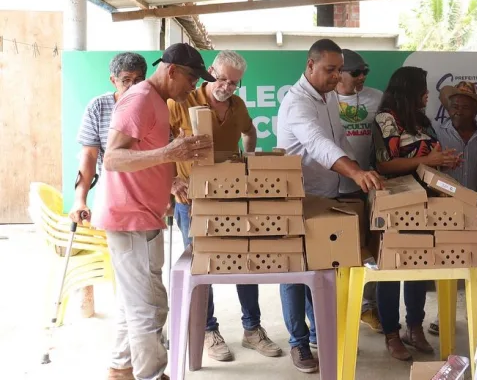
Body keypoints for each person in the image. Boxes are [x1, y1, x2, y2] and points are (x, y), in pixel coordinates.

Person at [92, 43, 215, 380]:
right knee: (150, 306)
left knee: (134, 302)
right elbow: (114, 158)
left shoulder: (159, 101)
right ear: (172, 70)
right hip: (129, 216)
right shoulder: (141, 98)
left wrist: (170, 178)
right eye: (192, 78)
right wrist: (168, 153)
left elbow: (146, 153)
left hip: (142, 214)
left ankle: (121, 368)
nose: (194, 86)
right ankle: (151, 374)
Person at [276, 39, 383, 373]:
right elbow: (317, 144)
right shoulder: (297, 103)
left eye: (339, 70)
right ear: (310, 66)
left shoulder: (330, 97)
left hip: (327, 197)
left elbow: (339, 141)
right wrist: (354, 171)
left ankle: (320, 333)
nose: (337, 77)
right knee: (294, 273)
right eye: (329, 70)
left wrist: (359, 171)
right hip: (297, 199)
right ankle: (298, 343)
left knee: (322, 271)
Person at [167, 50, 281, 362]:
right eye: (222, 78)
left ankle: (252, 328)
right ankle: (207, 330)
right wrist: (171, 181)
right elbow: (160, 145)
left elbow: (249, 132)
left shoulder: (237, 105)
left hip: (231, 197)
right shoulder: (182, 101)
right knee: (202, 266)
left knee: (246, 259)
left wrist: (245, 163)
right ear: (210, 71)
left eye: (234, 83)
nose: (226, 86)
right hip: (192, 200)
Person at [372, 66, 459, 361]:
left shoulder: (422, 120)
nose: (427, 94)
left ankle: (414, 327)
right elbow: (385, 165)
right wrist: (430, 158)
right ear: (407, 90)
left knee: (419, 266)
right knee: (392, 269)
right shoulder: (386, 120)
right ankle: (392, 334)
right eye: (422, 88)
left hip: (427, 203)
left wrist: (443, 161)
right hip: (396, 204)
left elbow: (429, 158)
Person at [428, 81, 477, 336]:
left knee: (476, 266)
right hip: (445, 210)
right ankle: (444, 317)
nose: (458, 112)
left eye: (464, 107)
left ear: (475, 110)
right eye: (454, 106)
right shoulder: (436, 132)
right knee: (446, 265)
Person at [335, 48, 384, 333]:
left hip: (370, 185)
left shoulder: (376, 98)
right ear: (338, 73)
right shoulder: (323, 100)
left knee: (373, 249)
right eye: (355, 73)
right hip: (333, 188)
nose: (362, 77)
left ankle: (368, 307)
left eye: (365, 71)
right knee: (340, 251)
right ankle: (338, 312)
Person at [68, 52, 147, 223]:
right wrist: (79, 200)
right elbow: (89, 156)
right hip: (112, 193)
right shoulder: (98, 107)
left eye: (138, 80)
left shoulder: (153, 105)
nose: (133, 86)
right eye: (126, 80)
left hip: (146, 195)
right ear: (114, 80)